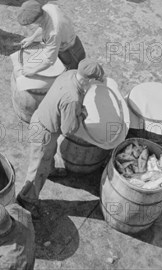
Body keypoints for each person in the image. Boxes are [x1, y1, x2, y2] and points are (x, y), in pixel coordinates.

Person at [16, 59, 106, 218]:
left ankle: (49, 170)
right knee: (37, 169)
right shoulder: (72, 99)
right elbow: (68, 129)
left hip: (42, 118)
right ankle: (26, 200)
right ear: (88, 80)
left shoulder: (70, 74)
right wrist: (83, 114)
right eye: (95, 81)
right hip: (44, 133)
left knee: (47, 156)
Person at [17, 0, 86, 75]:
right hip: (68, 39)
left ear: (37, 20)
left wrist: (33, 70)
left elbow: (50, 60)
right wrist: (32, 38)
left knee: (74, 71)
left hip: (70, 52)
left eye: (31, 23)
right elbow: (44, 25)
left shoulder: (53, 33)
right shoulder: (48, 7)